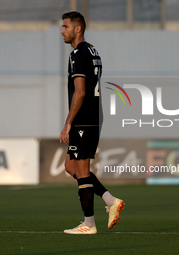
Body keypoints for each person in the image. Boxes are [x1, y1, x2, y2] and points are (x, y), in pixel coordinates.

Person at [60, 11, 125, 235]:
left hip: (84, 118)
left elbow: (80, 91)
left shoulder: (78, 54)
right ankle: (110, 200)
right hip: (93, 115)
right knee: (71, 167)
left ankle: (89, 224)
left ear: (77, 29)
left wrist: (69, 122)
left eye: (65, 27)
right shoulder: (93, 51)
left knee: (82, 169)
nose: (62, 31)